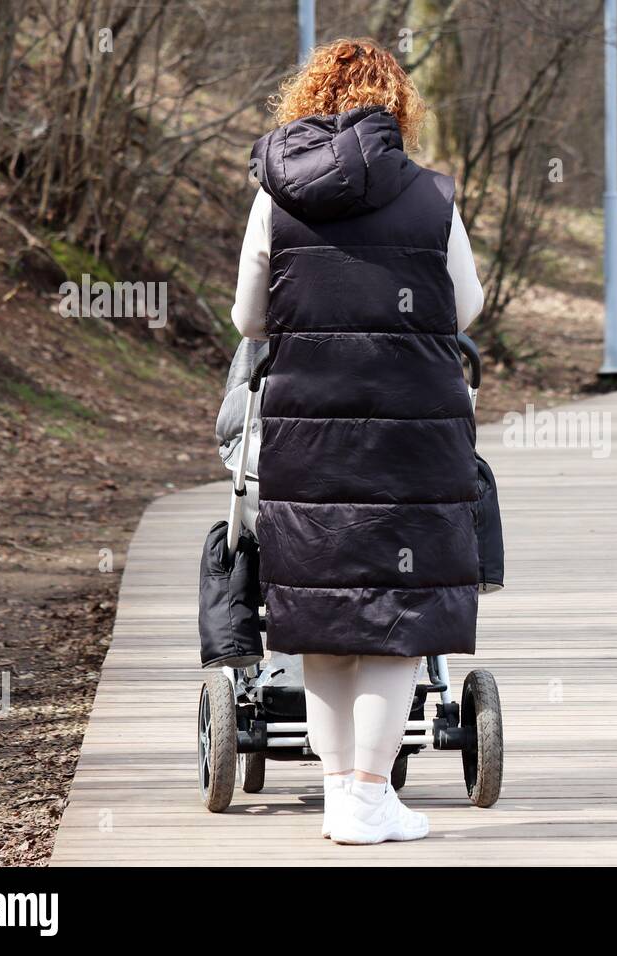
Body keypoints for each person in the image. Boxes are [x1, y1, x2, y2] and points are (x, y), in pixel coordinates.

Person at [228, 37, 484, 845]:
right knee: (398, 619)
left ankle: (346, 795)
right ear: (396, 107)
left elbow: (248, 320)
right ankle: (369, 797)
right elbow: (466, 306)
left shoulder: (276, 197)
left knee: (322, 619)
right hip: (414, 436)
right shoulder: (431, 197)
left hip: (309, 433)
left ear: (305, 102)